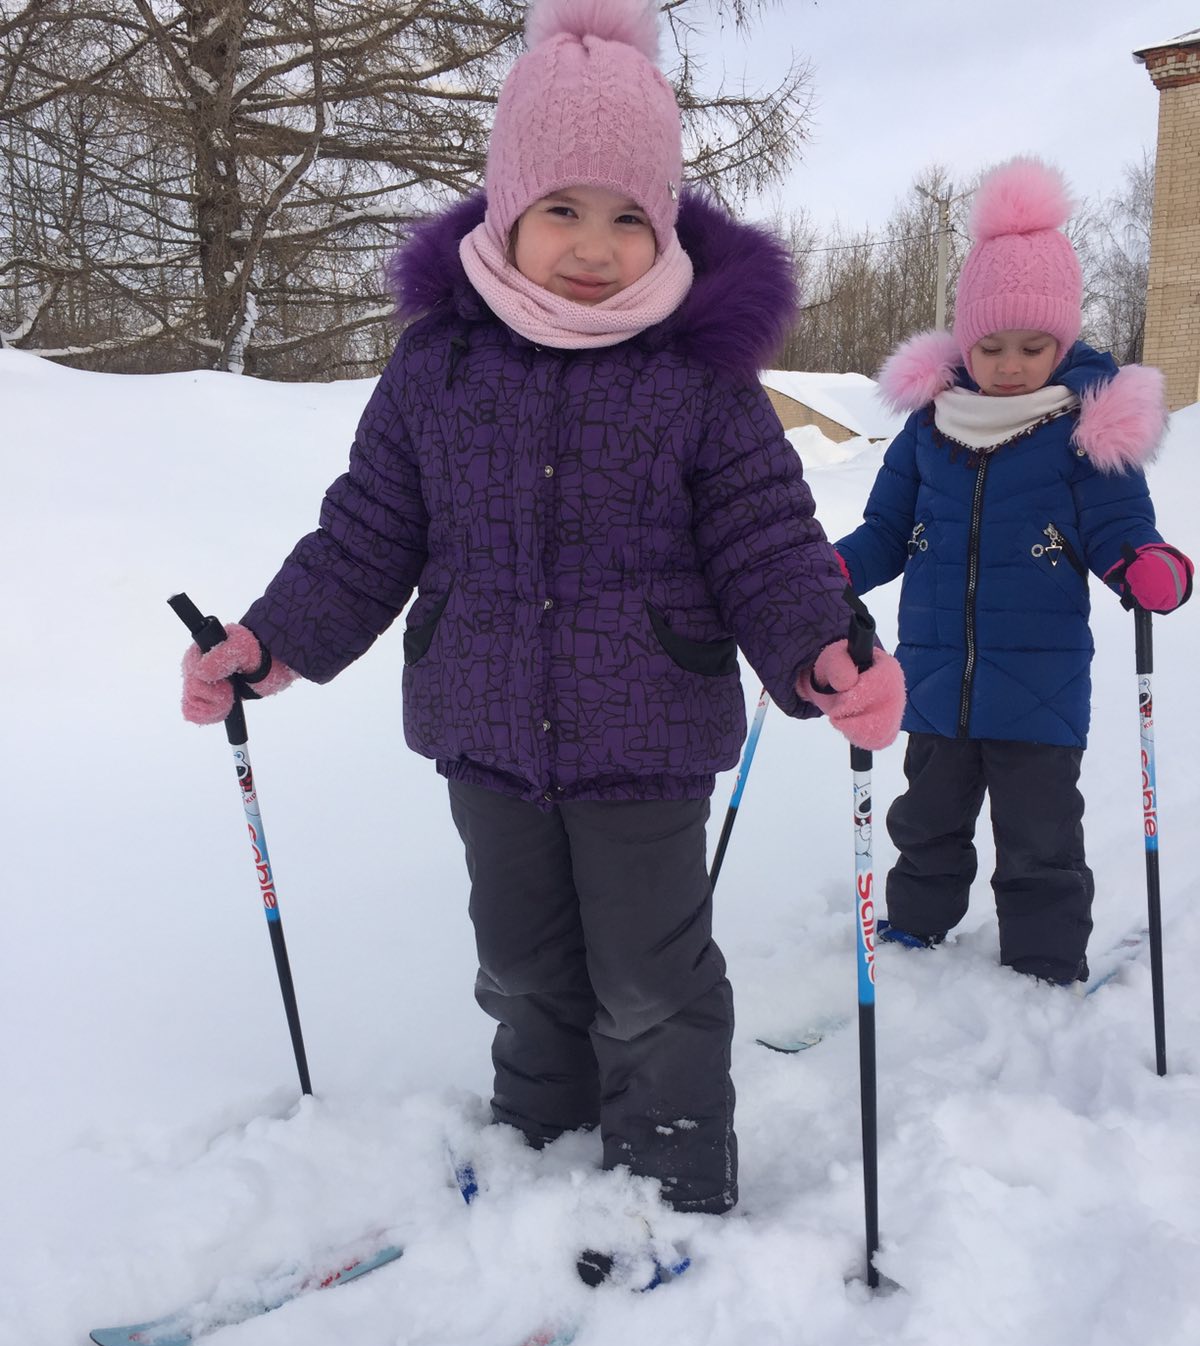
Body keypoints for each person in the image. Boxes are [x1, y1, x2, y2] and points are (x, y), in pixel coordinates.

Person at [180, 0, 905, 1215]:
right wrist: (271, 640)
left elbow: (767, 546)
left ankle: (671, 1162)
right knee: (519, 965)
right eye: (562, 207)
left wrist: (822, 651)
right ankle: (540, 1131)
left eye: (629, 216)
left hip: (649, 734)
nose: (592, 243)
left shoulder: (703, 384)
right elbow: (368, 531)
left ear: (667, 226)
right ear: (506, 208)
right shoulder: (438, 368)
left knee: (648, 977)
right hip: (486, 730)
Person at [834, 157, 1192, 987]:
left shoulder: (1085, 428)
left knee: (1039, 834)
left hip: (1040, 685)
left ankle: (1042, 959)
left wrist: (1145, 566)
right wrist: (826, 572)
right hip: (932, 675)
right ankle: (919, 926)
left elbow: (1119, 531)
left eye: (1034, 346)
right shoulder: (930, 428)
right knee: (926, 819)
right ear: (965, 338)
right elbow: (886, 530)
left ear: (1062, 340)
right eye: (990, 344)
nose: (1010, 363)